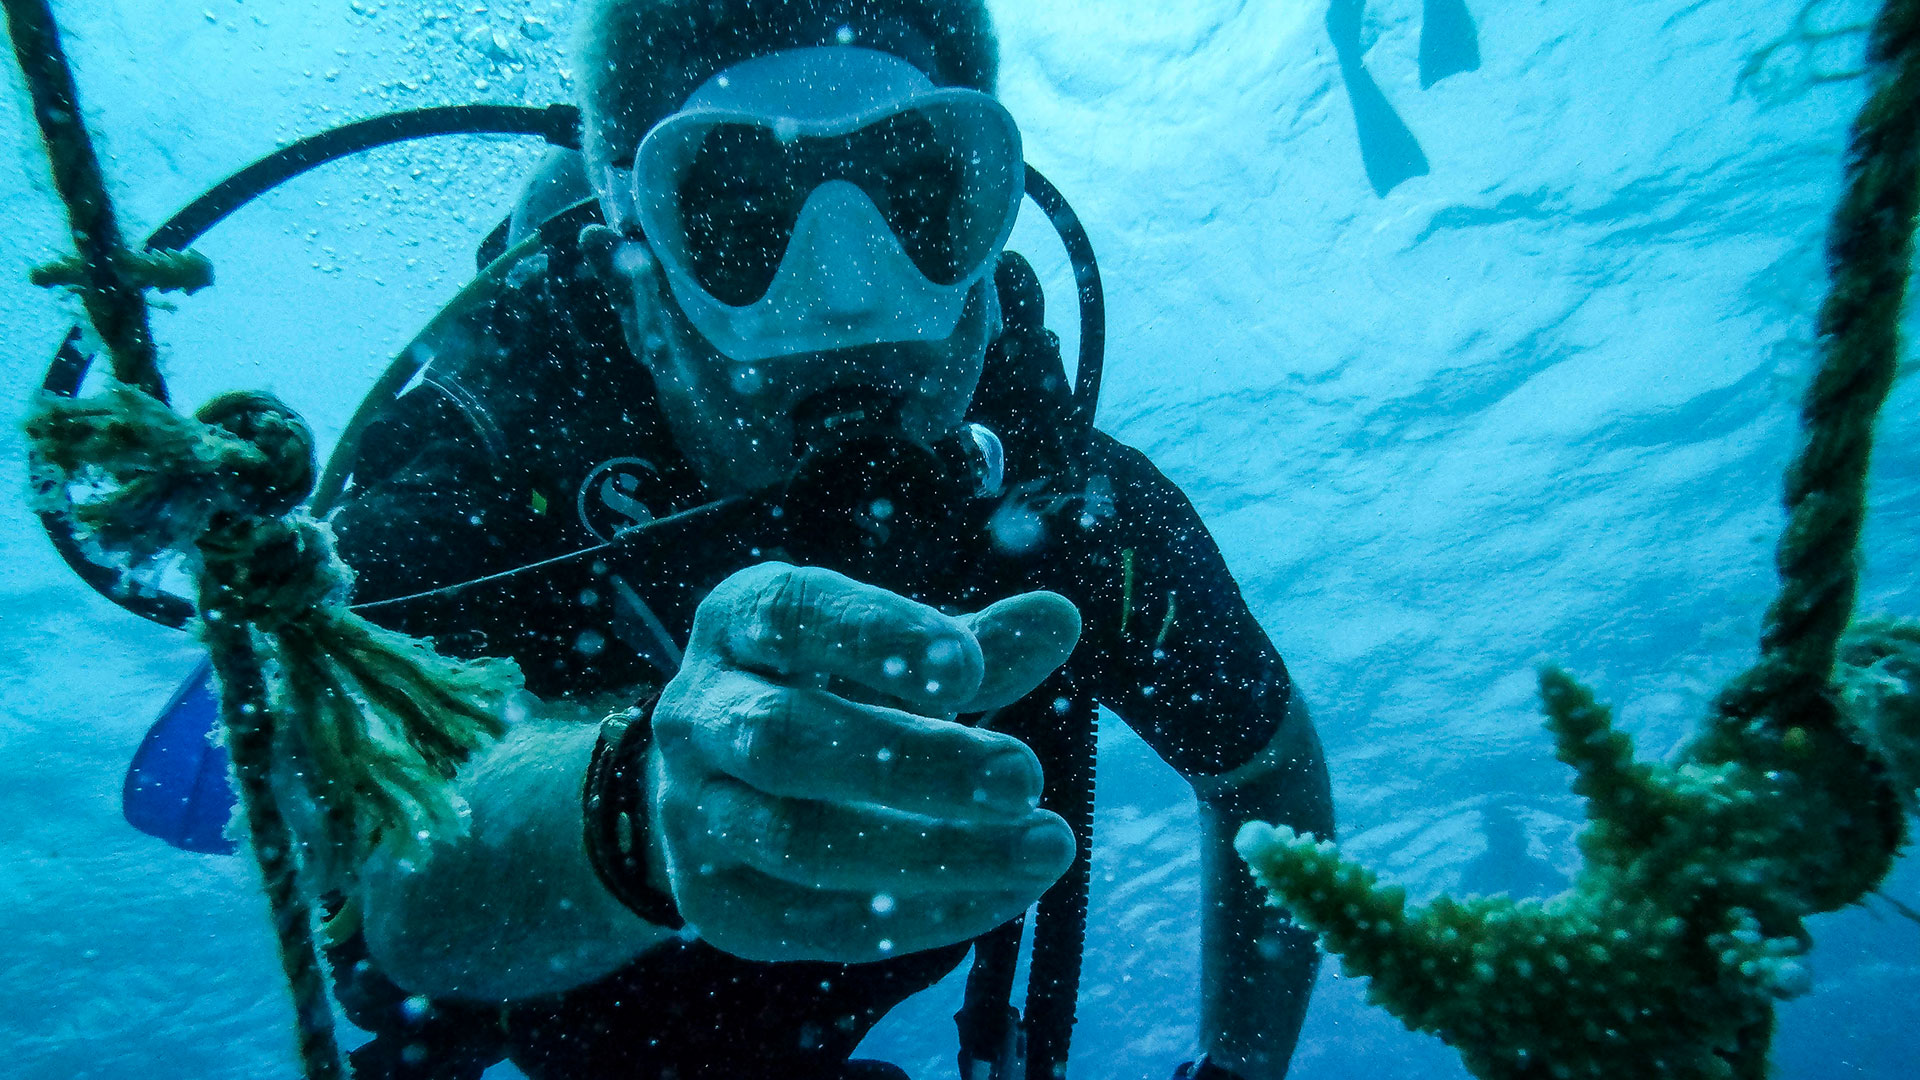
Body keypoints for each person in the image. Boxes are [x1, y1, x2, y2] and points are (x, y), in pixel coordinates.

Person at [318, 2, 1335, 1078]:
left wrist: (1237, 1070)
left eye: (922, 198)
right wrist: (639, 808)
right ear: (641, 297)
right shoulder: (496, 463)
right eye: (745, 221)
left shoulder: (1068, 511)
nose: (851, 294)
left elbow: (1267, 771)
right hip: (570, 1014)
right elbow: (380, 858)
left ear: (989, 259)